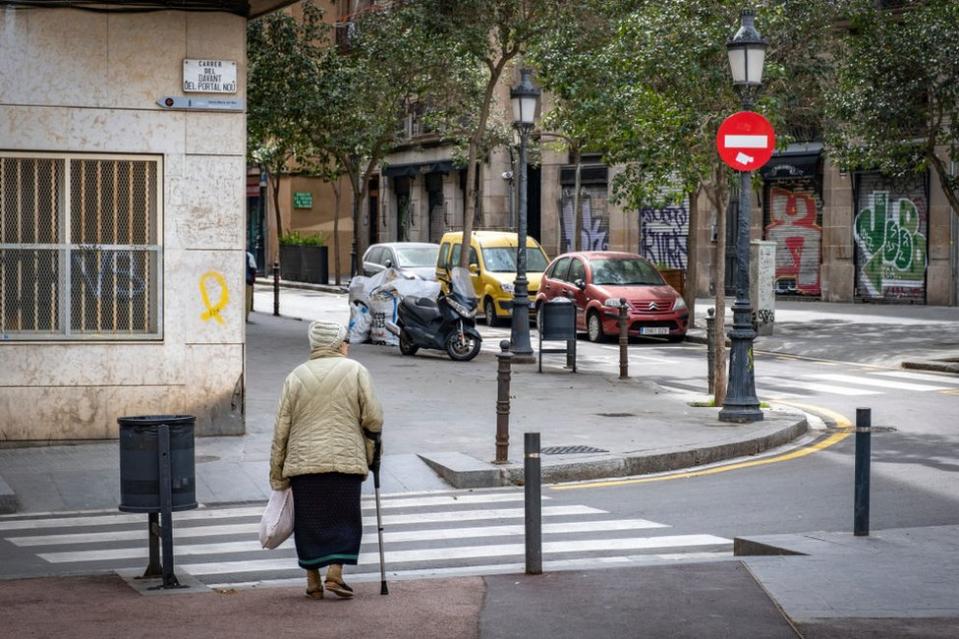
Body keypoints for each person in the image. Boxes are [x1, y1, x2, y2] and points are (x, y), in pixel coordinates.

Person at [269, 320, 384, 599]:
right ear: (337, 344)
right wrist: (371, 457)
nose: (347, 345)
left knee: (309, 523)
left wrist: (278, 472)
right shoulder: (355, 370)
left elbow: (281, 428)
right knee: (345, 518)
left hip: (304, 465)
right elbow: (373, 419)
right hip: (345, 462)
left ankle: (313, 582)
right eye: (345, 341)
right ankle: (335, 574)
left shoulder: (295, 376)